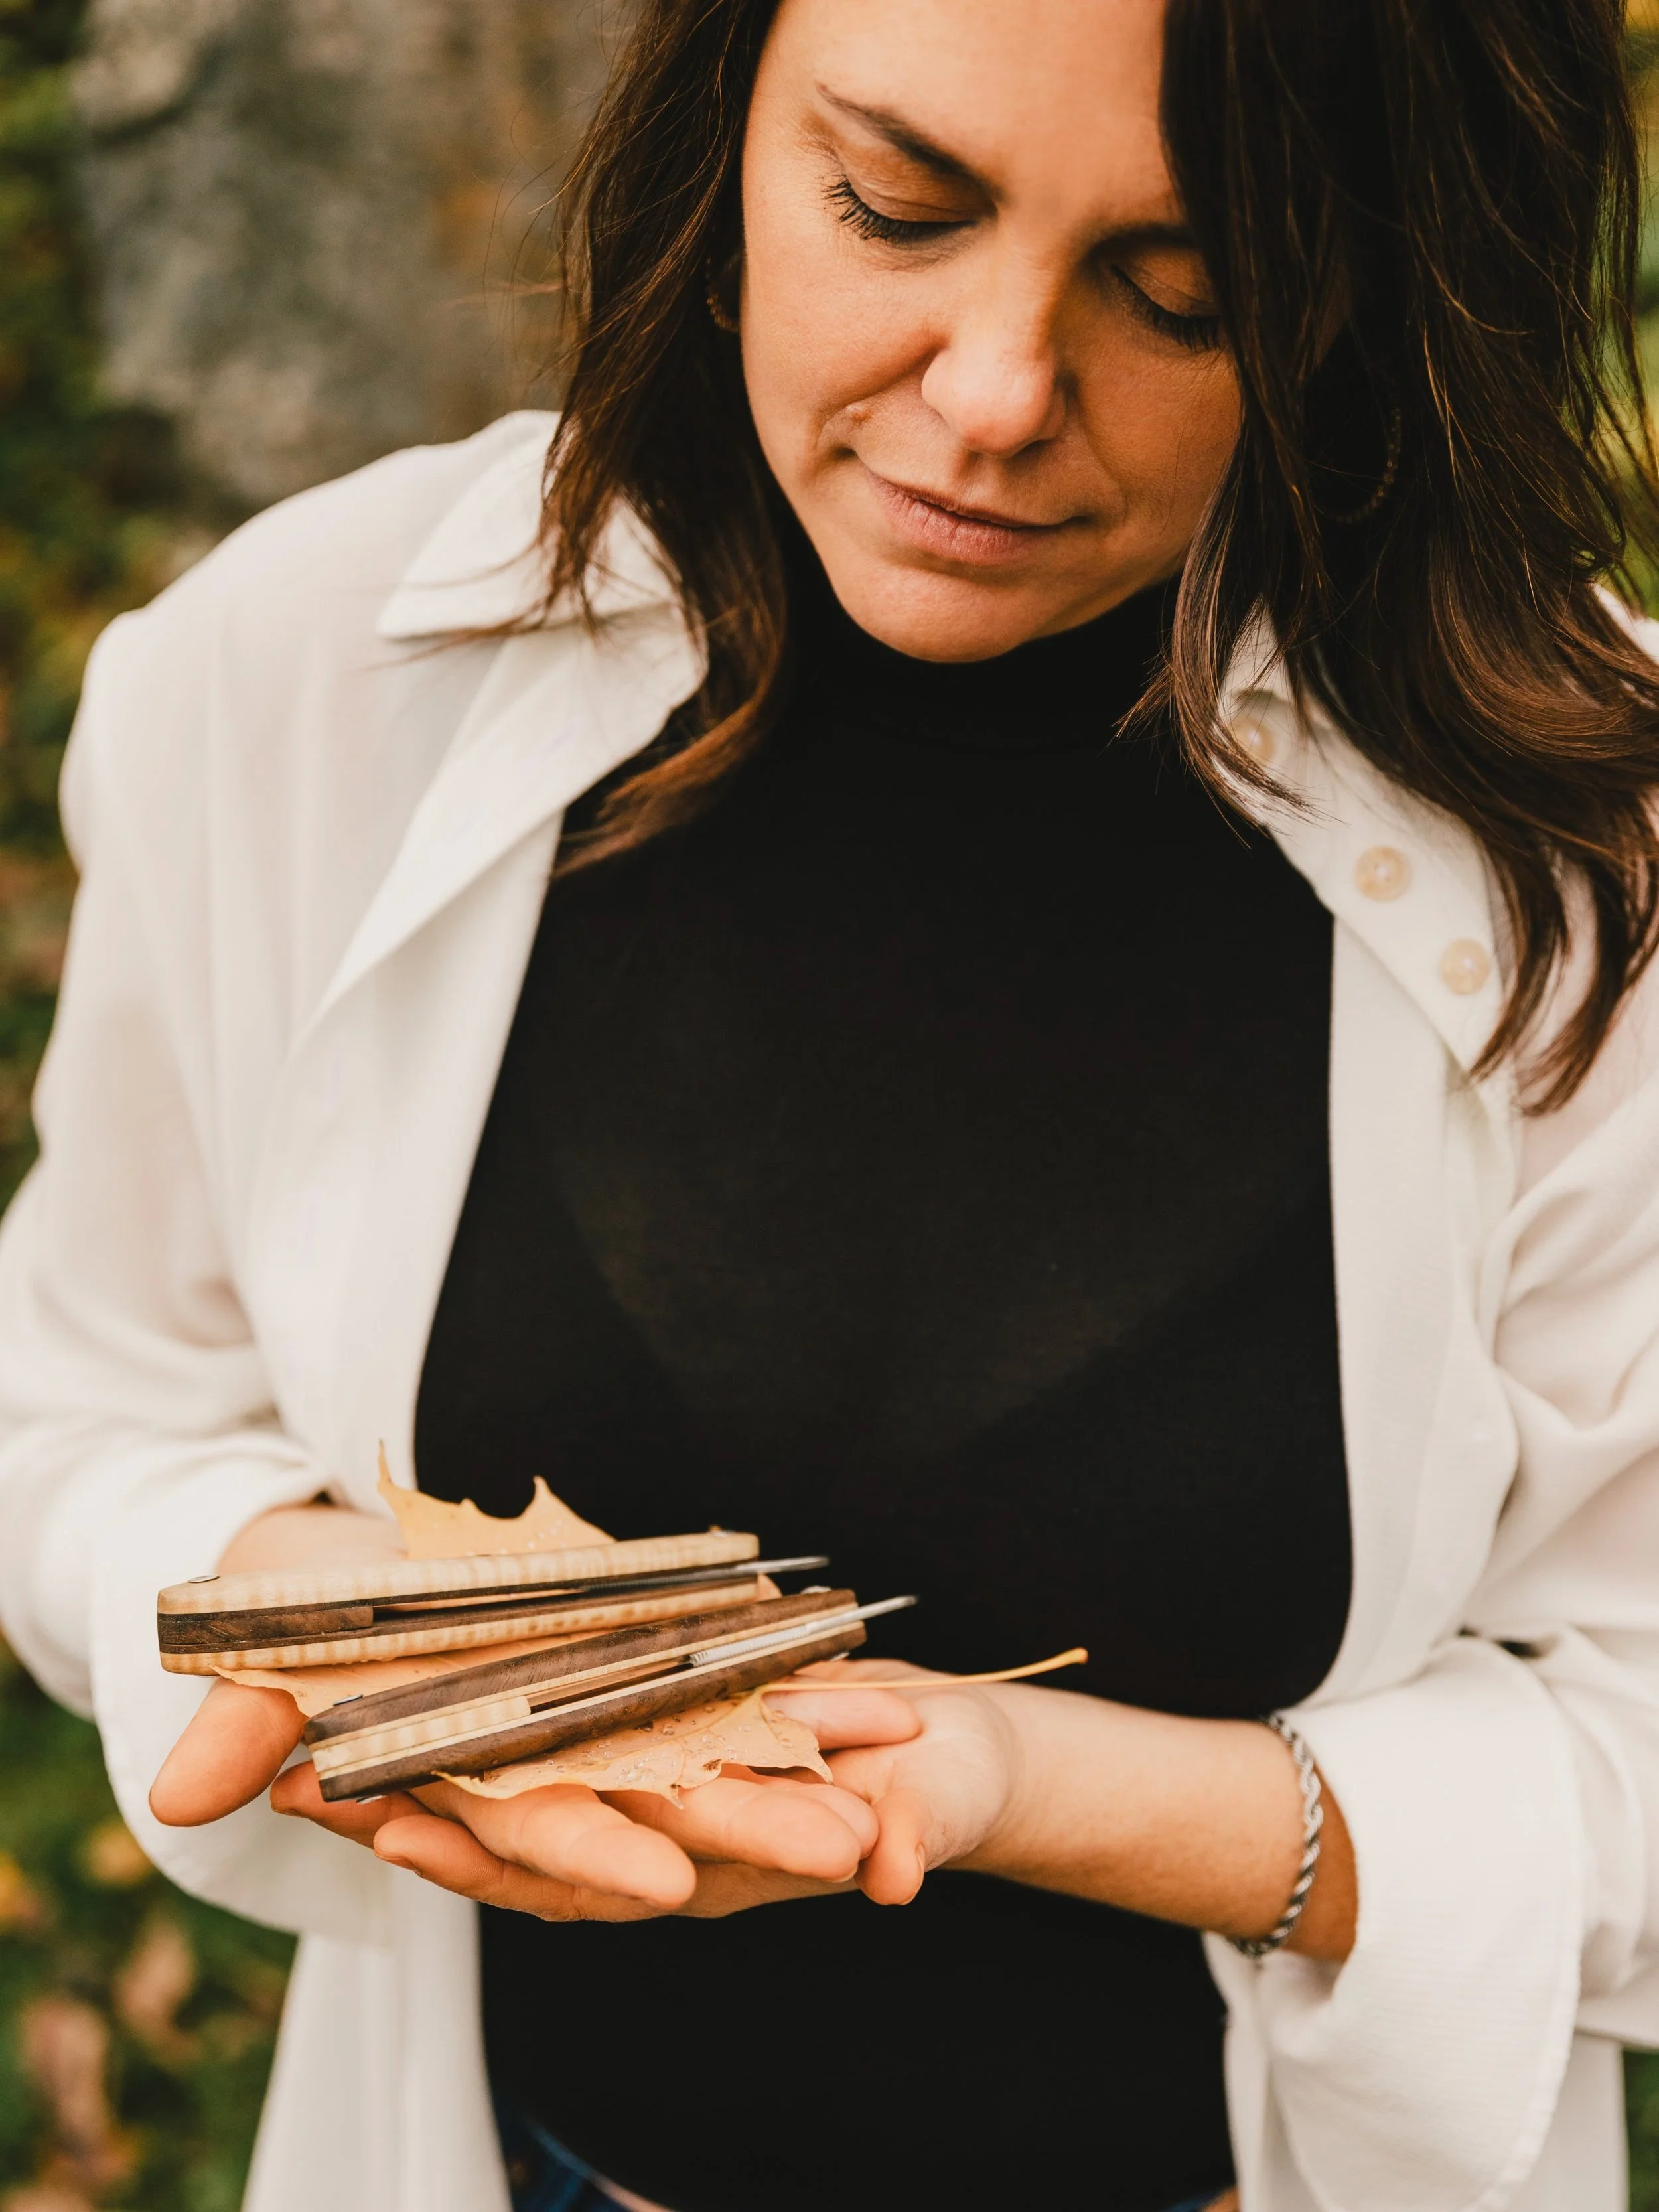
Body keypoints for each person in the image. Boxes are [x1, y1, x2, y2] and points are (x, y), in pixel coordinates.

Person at [3, 0, 1658, 2205]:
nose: (991, 396)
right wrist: (319, 1606)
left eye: (1189, 292)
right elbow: (86, 1412)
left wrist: (994, 1778)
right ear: (725, 110)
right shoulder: (298, 679)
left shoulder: (1590, 862)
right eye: (893, 204)